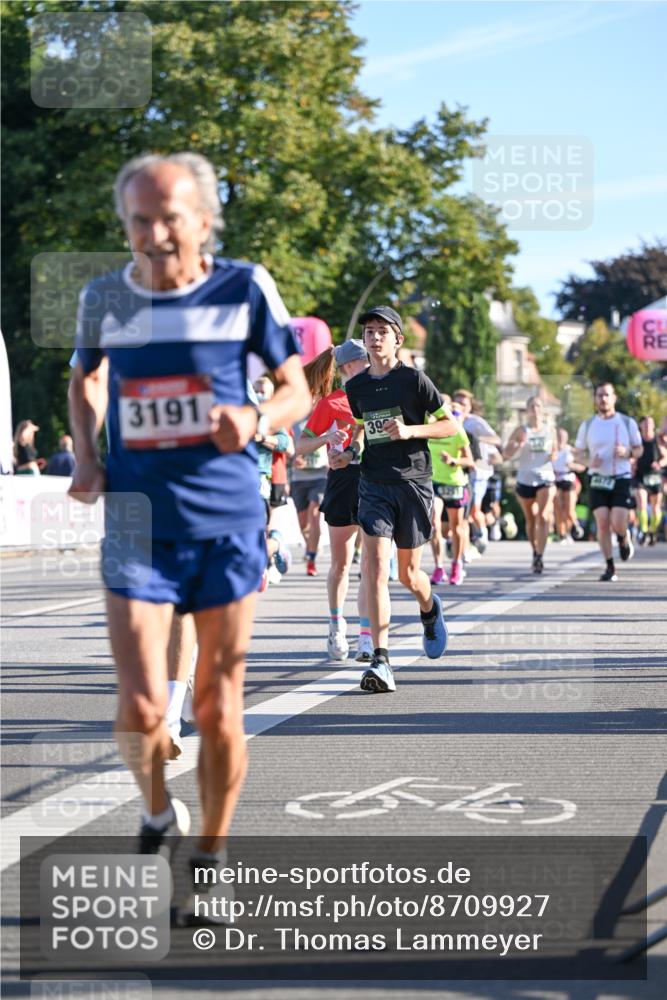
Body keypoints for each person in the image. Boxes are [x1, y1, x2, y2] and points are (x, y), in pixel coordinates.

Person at [68, 153, 310, 918]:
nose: (155, 233)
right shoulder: (105, 296)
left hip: (226, 519)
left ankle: (210, 856)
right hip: (137, 520)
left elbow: (297, 388)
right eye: (139, 220)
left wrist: (257, 418)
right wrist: (84, 451)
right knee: (142, 708)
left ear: (203, 220)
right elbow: (85, 378)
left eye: (170, 216)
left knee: (217, 706)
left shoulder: (244, 287)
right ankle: (154, 810)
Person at [338, 305, 456, 693]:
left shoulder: (415, 380)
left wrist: (409, 431)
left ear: (398, 339)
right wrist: (347, 452)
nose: (374, 337)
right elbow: (361, 432)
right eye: (369, 331)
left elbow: (450, 426)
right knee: (374, 566)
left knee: (408, 575)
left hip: (413, 482)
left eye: (382, 331)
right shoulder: (355, 388)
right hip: (374, 482)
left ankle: (429, 606)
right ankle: (380, 659)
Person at [297, 339, 372, 661]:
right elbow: (300, 445)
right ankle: (336, 624)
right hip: (343, 481)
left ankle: (367, 636)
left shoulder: (381, 396)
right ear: (350, 367)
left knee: (372, 564)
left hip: (377, 481)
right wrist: (327, 438)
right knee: (341, 565)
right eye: (367, 360)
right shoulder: (331, 403)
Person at [573, 382, 642, 581]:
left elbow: (639, 449)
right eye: (599, 395)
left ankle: (623, 537)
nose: (603, 399)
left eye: (606, 395)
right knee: (602, 523)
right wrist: (588, 461)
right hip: (597, 478)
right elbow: (576, 454)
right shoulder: (588, 425)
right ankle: (610, 566)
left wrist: (627, 453)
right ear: (595, 399)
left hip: (620, 477)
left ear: (614, 398)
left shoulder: (627, 422)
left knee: (618, 523)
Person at [503, 396, 557, 574]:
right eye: (532, 406)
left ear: (543, 409)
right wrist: (518, 444)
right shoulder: (521, 430)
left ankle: (540, 556)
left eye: (538, 405)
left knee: (542, 516)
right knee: (531, 518)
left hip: (545, 477)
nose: (535, 409)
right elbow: (506, 454)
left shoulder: (550, 430)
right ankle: (535, 551)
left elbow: (555, 451)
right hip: (525, 479)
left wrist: (553, 456)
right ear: (527, 410)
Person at [451, 390, 502, 555]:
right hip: (458, 472)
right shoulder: (450, 421)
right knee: (462, 513)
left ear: (470, 406)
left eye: (465, 404)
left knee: (473, 510)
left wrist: (477, 440)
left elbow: (497, 439)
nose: (461, 407)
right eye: (458, 403)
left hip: (479, 472)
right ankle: (462, 545)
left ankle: (482, 534)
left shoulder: (475, 422)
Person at [428, 414, 474, 586]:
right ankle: (439, 567)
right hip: (434, 482)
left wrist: (454, 460)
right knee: (434, 523)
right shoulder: (430, 429)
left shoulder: (457, 431)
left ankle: (456, 564)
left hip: (454, 484)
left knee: (456, 527)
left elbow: (469, 460)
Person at [632, 415, 667, 546]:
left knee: (655, 507)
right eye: (644, 424)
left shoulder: (658, 440)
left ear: (653, 426)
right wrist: (632, 464)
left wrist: (659, 464)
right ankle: (644, 530)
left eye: (649, 424)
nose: (647, 426)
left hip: (655, 476)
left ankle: (653, 531)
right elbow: (632, 456)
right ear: (640, 426)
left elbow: (665, 457)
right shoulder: (637, 441)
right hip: (640, 476)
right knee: (641, 501)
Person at [552, 427, 585, 542]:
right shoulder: (552, 451)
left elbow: (583, 466)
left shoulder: (571, 451)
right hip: (555, 481)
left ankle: (574, 526)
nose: (560, 439)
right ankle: (561, 533)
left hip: (568, 480)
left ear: (566, 438)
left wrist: (572, 466)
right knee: (558, 508)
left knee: (569, 509)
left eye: (563, 437)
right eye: (558, 437)